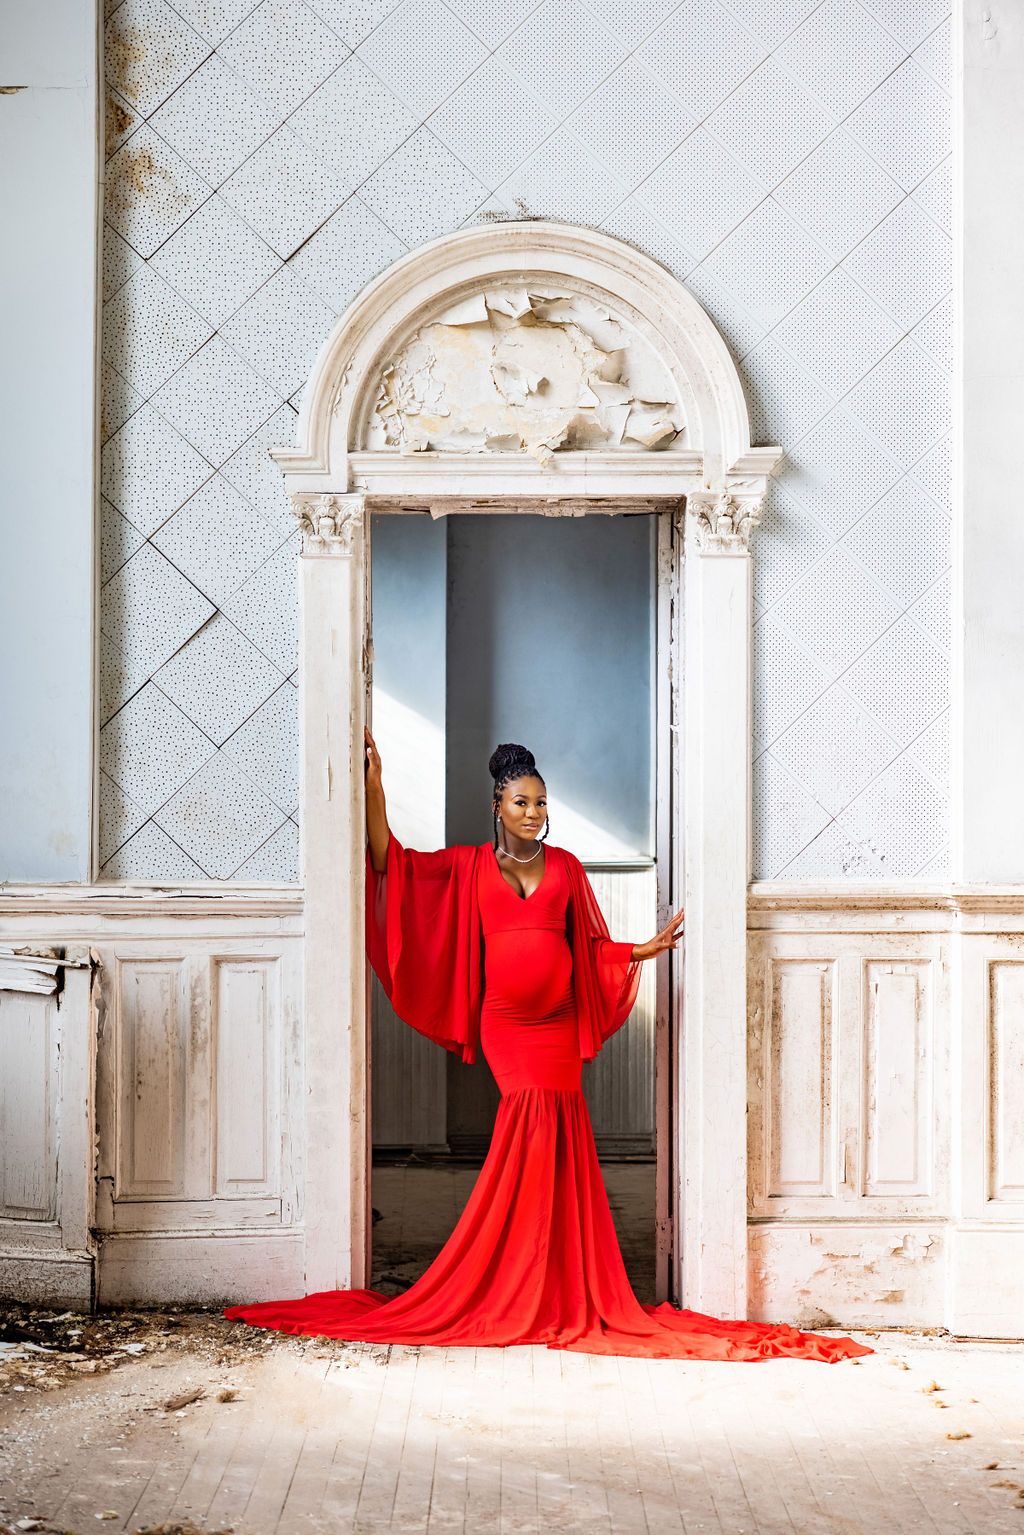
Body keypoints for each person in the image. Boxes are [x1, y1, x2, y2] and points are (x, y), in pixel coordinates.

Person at [224, 733, 872, 1363]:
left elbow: (589, 945)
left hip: (558, 1024)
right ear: (497, 806)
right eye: (521, 802)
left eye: (540, 802)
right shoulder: (468, 866)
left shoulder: (564, 866)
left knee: (558, 1139)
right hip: (506, 1026)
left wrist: (641, 949)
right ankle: (512, 1278)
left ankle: (552, 1282)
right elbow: (391, 859)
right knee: (528, 1127)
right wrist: (375, 786)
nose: (533, 812)